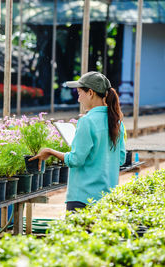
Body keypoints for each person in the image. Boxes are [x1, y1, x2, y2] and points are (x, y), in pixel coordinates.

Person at [30, 71, 126, 212]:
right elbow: (121, 158)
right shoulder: (117, 122)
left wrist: (50, 151)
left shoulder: (87, 121)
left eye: (80, 93)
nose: (78, 99)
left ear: (90, 93)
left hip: (83, 198)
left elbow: (75, 160)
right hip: (107, 199)